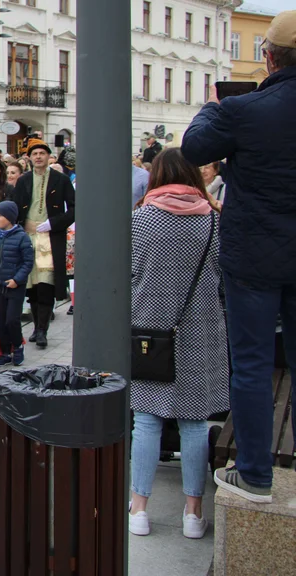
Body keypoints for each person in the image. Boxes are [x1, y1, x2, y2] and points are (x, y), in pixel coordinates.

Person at [182, 9, 296, 505]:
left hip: (254, 254)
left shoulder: (246, 109)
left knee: (249, 363)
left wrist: (213, 106)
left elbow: (193, 146)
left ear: (267, 57)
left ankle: (254, 474)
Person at [128, 148, 226, 539]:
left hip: (150, 329)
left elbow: (128, 272)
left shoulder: (141, 219)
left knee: (147, 421)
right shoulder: (213, 222)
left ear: (156, 177)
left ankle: (139, 510)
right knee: (195, 422)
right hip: (200, 328)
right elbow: (223, 273)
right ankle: (192, 513)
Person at [12, 138, 75, 349]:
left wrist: (53, 223)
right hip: (27, 237)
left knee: (46, 283)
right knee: (31, 284)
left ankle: (42, 330)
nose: (38, 157)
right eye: (35, 154)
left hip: (49, 238)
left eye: (42, 153)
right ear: (29, 158)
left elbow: (75, 208)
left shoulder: (61, 179)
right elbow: (14, 208)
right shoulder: (23, 181)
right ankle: (37, 324)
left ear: (49, 157)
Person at [0, 201, 33, 367]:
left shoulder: (22, 237)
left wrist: (17, 279)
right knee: (0, 321)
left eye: (0, 214)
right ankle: (5, 351)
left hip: (15, 286)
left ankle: (18, 346)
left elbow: (28, 262)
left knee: (12, 320)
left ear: (10, 217)